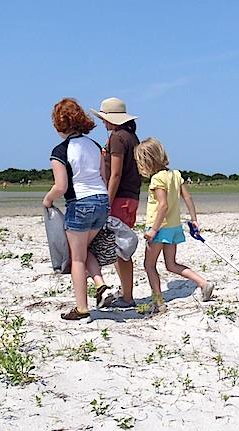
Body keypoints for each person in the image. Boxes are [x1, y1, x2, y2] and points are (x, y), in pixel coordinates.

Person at [43, 98, 111, 320]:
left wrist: (47, 200)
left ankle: (82, 308)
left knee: (77, 258)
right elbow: (104, 177)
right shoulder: (95, 145)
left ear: (58, 124)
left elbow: (61, 187)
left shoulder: (60, 151)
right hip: (101, 201)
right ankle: (101, 285)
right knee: (82, 249)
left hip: (80, 203)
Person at [134, 137, 215, 313]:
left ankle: (158, 301)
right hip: (173, 228)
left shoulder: (157, 179)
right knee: (171, 264)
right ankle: (203, 283)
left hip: (159, 229)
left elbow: (163, 205)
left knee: (149, 265)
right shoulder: (176, 175)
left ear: (147, 161)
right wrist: (194, 219)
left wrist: (153, 230)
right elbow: (187, 197)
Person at [91, 97, 142, 308]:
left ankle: (128, 297)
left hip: (119, 198)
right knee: (122, 248)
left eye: (104, 118)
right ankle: (126, 292)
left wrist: (107, 202)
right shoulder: (131, 136)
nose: (103, 123)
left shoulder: (117, 138)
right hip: (131, 197)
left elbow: (116, 173)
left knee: (120, 249)